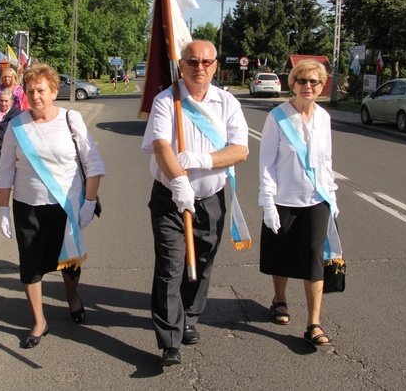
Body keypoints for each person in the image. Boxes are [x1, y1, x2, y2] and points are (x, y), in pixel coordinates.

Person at [141, 40, 249, 367]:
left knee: (203, 261)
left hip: (211, 199)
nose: (198, 68)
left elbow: (240, 150)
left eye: (205, 62)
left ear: (216, 66)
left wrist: (201, 159)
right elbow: (161, 146)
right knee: (171, 266)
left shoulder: (227, 103)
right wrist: (179, 182)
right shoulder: (166, 100)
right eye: (191, 62)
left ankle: (189, 315)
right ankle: (169, 339)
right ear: (181, 66)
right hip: (171, 198)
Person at [0, 63, 105, 349]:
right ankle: (39, 320)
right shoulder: (17, 126)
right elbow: (6, 170)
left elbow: (93, 164)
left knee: (69, 264)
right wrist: (3, 210)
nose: (35, 96)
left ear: (54, 91)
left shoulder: (72, 119)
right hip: (27, 206)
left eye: (41, 90)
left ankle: (72, 296)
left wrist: (89, 203)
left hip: (65, 207)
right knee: (30, 265)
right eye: (30, 91)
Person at [258, 59, 339, 347]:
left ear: (321, 86)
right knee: (281, 252)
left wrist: (332, 195)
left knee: (315, 259)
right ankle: (279, 299)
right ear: (292, 83)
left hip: (316, 199)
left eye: (314, 82)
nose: (308, 87)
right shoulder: (277, 117)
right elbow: (267, 163)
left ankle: (313, 323)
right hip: (283, 199)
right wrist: (268, 199)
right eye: (302, 81)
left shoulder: (324, 118)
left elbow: (326, 161)